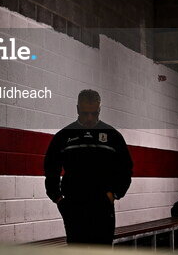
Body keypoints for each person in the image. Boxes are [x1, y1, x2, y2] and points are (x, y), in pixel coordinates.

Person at [44, 89, 133, 245]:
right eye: (85, 113)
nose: (90, 118)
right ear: (77, 109)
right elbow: (51, 168)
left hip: (103, 206)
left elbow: (125, 169)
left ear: (99, 110)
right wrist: (58, 198)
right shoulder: (64, 136)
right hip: (74, 206)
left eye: (94, 113)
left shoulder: (113, 136)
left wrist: (114, 194)